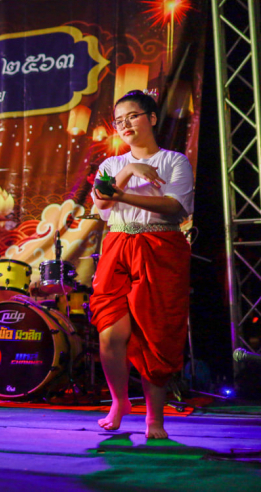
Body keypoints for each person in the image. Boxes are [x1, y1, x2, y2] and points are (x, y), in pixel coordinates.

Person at [90, 90, 194, 439]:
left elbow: (174, 207)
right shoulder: (111, 165)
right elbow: (101, 204)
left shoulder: (175, 161)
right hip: (118, 244)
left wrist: (120, 194)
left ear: (150, 118)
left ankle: (154, 419)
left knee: (156, 333)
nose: (124, 125)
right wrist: (130, 169)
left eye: (132, 116)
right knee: (110, 332)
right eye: (119, 121)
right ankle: (120, 401)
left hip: (160, 246)